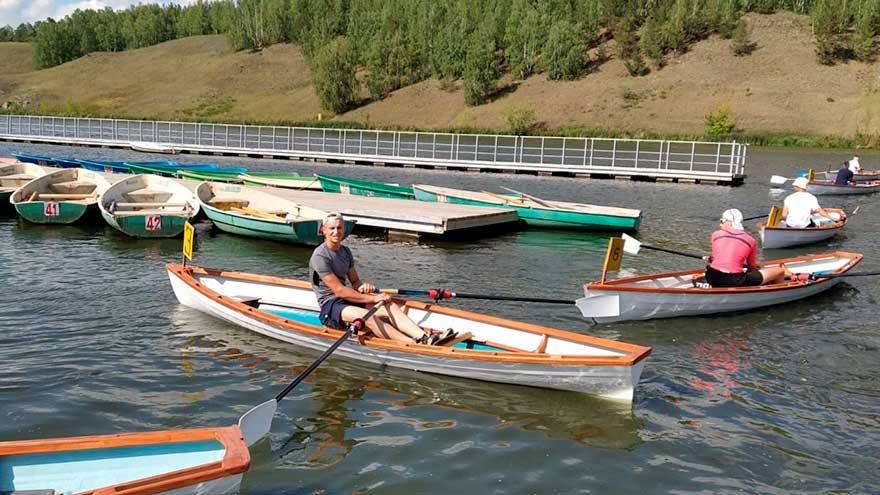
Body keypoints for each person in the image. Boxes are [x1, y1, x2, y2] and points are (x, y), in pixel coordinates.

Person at [309, 212, 456, 346]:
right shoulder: (320, 256)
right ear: (324, 230)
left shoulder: (345, 251)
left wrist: (363, 287)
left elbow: (355, 283)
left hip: (347, 300)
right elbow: (339, 291)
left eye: (339, 228)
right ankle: (412, 344)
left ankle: (424, 337)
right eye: (332, 228)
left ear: (344, 230)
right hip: (330, 305)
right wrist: (372, 299)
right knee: (369, 317)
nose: (336, 232)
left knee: (389, 305)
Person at [704, 209, 786, 287]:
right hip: (734, 280)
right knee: (780, 270)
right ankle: (777, 293)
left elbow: (716, 258)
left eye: (722, 221)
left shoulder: (715, 234)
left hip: (711, 276)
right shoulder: (751, 240)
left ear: (729, 222)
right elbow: (751, 268)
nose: (720, 224)